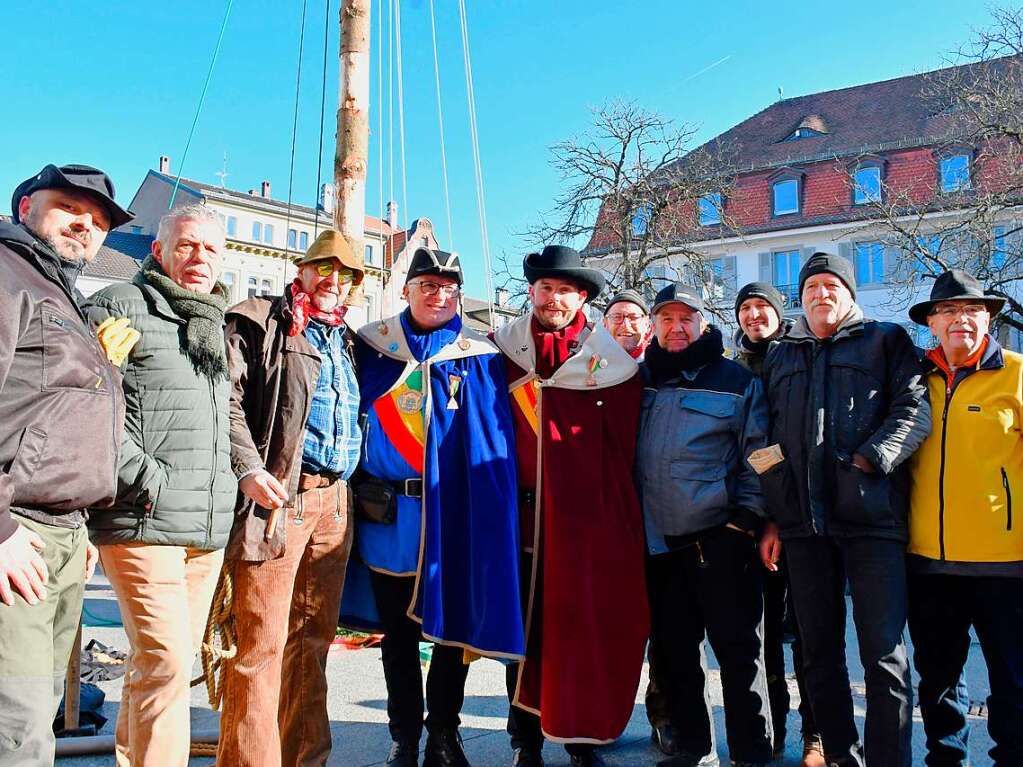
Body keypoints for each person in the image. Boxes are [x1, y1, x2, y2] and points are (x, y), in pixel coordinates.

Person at [343, 247, 524, 767]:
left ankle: (445, 734)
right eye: (427, 284)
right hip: (388, 517)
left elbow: (494, 437)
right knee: (398, 637)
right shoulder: (372, 347)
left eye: (447, 287)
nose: (438, 294)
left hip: (453, 514)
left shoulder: (479, 353)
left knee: (449, 633)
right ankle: (404, 736)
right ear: (407, 290)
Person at [758, 252, 931, 767]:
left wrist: (872, 460)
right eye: (812, 286)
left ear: (850, 294)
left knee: (883, 656)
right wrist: (777, 495)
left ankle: (887, 759)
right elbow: (762, 432)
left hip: (871, 519)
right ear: (800, 296)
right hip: (803, 527)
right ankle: (839, 754)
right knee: (819, 652)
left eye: (832, 285)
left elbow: (913, 406)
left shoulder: (885, 339)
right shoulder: (781, 353)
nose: (821, 294)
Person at [83, 204, 236, 767]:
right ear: (159, 251)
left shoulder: (212, 323)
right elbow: (88, 400)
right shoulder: (122, 303)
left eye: (211, 249)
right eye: (187, 245)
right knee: (167, 663)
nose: (199, 259)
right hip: (143, 517)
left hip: (204, 524)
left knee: (159, 667)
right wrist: (146, 478)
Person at [492, 245, 649, 767]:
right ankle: (525, 742)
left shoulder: (612, 366)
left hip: (581, 527)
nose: (553, 299)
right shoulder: (503, 352)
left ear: (581, 297)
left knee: (577, 630)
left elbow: (622, 457)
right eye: (545, 289)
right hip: (516, 519)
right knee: (522, 633)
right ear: (532, 293)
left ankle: (582, 739)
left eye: (565, 290)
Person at [0, 163, 131, 765]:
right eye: (69, 209)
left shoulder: (62, 294)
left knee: (42, 708)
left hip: (59, 533)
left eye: (100, 220)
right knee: (15, 725)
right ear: (25, 207)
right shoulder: (8, 275)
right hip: (16, 532)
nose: (86, 225)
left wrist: (77, 521)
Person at [217, 230, 363, 767]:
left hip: (334, 502)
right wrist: (249, 467)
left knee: (313, 645)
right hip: (281, 498)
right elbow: (225, 401)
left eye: (346, 274)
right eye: (323, 268)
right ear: (301, 270)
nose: (333, 281)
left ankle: (307, 759)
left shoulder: (347, 338)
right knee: (261, 647)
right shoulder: (259, 319)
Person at [637, 284, 773, 767]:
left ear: (703, 323)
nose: (677, 328)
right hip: (657, 544)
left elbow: (762, 451)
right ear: (654, 325)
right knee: (676, 654)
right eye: (667, 319)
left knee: (739, 654)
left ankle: (751, 750)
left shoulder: (735, 379)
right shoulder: (637, 379)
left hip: (719, 539)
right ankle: (695, 747)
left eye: (686, 319)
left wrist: (745, 521)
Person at [905, 269, 1023, 766]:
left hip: (1005, 561)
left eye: (973, 311)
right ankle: (946, 760)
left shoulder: (1018, 373)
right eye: (949, 311)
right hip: (928, 561)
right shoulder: (912, 380)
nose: (961, 320)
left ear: (989, 320)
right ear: (932, 322)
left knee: (1013, 678)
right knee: (937, 679)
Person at [734, 282, 823, 766]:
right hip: (755, 517)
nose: (753, 315)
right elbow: (751, 449)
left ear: (777, 310)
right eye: (745, 308)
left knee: (811, 635)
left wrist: (781, 515)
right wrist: (763, 515)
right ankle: (773, 731)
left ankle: (816, 735)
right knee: (762, 638)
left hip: (802, 516)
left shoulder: (801, 356)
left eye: (761, 306)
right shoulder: (734, 368)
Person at [602, 290, 651, 360]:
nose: (625, 325)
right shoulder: (589, 364)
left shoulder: (663, 366)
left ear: (647, 323)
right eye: (617, 317)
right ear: (605, 323)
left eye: (634, 317)